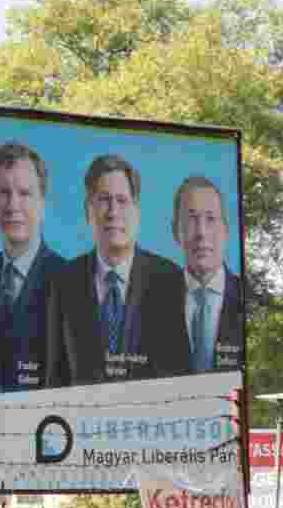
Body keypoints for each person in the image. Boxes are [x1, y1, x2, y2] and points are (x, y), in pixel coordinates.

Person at [45, 154, 189, 387]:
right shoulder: (63, 282)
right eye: (103, 199)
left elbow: (180, 376)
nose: (113, 212)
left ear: (136, 211)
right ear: (88, 210)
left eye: (122, 200)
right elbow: (54, 377)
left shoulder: (169, 280)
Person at [0, 142, 66, 391]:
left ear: (43, 202)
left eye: (24, 193)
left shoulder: (71, 281)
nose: (13, 206)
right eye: (3, 192)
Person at [172, 176, 243, 371]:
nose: (201, 232)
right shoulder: (151, 301)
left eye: (211, 219)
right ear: (176, 232)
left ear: (226, 231)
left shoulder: (250, 297)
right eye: (192, 219)